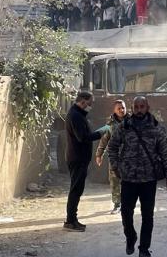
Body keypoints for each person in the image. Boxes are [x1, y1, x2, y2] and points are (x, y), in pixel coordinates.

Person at [108, 96, 167, 257]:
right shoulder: (124, 126)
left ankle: (144, 249)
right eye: (136, 107)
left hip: (148, 179)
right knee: (126, 213)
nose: (139, 110)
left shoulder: (155, 127)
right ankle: (130, 236)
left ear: (147, 108)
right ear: (132, 108)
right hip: (128, 178)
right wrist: (115, 166)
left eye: (142, 106)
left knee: (147, 216)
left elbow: (165, 153)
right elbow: (112, 147)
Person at [63, 90, 108, 232]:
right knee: (76, 190)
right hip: (77, 158)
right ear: (83, 101)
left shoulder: (78, 114)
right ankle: (70, 221)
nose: (91, 106)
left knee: (77, 189)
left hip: (78, 157)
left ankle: (72, 220)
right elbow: (83, 137)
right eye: (90, 103)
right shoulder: (76, 116)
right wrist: (101, 132)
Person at [96, 100, 127, 213]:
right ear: (114, 110)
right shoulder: (110, 125)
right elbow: (104, 140)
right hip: (114, 157)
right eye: (119, 108)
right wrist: (99, 154)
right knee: (114, 181)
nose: (121, 110)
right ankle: (117, 204)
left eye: (123, 108)